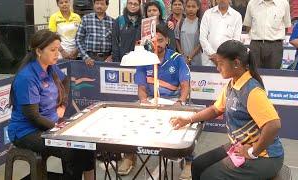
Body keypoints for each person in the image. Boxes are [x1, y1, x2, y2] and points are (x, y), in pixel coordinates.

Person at [171, 40, 284, 180]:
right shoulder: (233, 83)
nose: (218, 68)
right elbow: (215, 109)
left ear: (236, 63)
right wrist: (188, 120)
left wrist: (253, 151)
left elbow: (274, 124)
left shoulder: (252, 91)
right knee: (199, 164)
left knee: (209, 176)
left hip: (266, 157)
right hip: (239, 145)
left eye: (221, 63)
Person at [7, 29, 95, 180]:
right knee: (73, 151)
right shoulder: (27, 77)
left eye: (58, 49)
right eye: (53, 50)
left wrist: (62, 105)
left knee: (86, 147)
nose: (57, 54)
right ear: (39, 51)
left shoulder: (49, 67)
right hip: (26, 132)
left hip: (50, 125)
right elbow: (33, 116)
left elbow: (66, 80)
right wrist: (59, 130)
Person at [118, 24, 191, 176]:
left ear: (167, 42)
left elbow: (185, 85)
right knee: (130, 121)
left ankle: (189, 162)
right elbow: (142, 88)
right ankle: (130, 156)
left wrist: (180, 102)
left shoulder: (177, 59)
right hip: (151, 101)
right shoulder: (143, 59)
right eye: (153, 41)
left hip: (173, 101)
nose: (157, 44)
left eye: (160, 40)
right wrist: (144, 102)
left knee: (186, 129)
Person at [243, 0, 291, 69]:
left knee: (274, 75)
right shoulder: (252, 3)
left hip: (275, 46)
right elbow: (248, 26)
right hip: (255, 45)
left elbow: (286, 27)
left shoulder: (284, 3)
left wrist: (274, 37)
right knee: (254, 74)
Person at [200, 0, 242, 66]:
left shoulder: (236, 16)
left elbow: (236, 41)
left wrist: (224, 58)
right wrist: (213, 55)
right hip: (209, 60)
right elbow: (202, 38)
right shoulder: (208, 14)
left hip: (227, 60)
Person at [75, 0, 114, 67]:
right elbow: (78, 39)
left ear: (107, 6)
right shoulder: (86, 19)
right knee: (89, 77)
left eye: (102, 4)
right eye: (97, 3)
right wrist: (86, 57)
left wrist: (112, 56)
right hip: (89, 59)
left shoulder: (113, 22)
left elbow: (116, 42)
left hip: (107, 59)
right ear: (94, 5)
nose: (99, 6)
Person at [176, 0, 202, 66]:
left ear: (198, 7)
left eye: (193, 7)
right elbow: (177, 40)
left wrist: (189, 58)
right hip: (183, 61)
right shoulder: (180, 23)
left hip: (197, 61)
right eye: (188, 6)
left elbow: (201, 43)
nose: (191, 9)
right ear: (185, 7)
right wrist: (182, 56)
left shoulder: (201, 23)